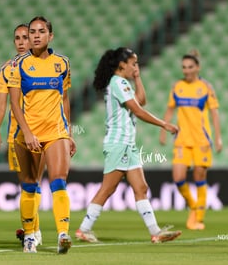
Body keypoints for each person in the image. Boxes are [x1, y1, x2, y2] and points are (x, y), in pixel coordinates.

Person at [75, 47, 182, 244]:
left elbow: (141, 101)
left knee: (141, 187)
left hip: (127, 144)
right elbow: (138, 111)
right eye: (133, 63)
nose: (136, 66)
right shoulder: (117, 82)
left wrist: (137, 78)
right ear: (122, 64)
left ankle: (155, 232)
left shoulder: (122, 82)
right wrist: (164, 124)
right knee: (108, 188)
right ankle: (83, 229)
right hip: (119, 143)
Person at [7, 16, 76, 254]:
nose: (35, 36)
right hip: (27, 134)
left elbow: (64, 99)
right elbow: (14, 104)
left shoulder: (63, 63)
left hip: (55, 131)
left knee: (59, 181)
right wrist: (26, 133)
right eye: (32, 32)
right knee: (29, 186)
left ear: (50, 36)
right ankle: (29, 236)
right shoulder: (19, 65)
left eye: (41, 31)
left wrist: (69, 133)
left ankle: (63, 234)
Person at [0, 23, 44, 246]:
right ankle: (33, 230)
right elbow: (2, 104)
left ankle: (32, 230)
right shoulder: (8, 69)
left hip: (42, 130)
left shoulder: (46, 65)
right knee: (26, 183)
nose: (22, 41)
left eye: (25, 37)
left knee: (37, 181)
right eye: (17, 38)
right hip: (17, 134)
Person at [159, 50, 222, 230]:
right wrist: (164, 128)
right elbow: (170, 109)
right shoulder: (177, 86)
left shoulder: (206, 87)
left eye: (190, 67)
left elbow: (215, 113)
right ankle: (194, 206)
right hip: (182, 140)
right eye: (184, 67)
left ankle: (198, 218)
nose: (186, 71)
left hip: (201, 140)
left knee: (199, 176)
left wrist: (218, 138)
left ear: (198, 67)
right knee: (178, 178)